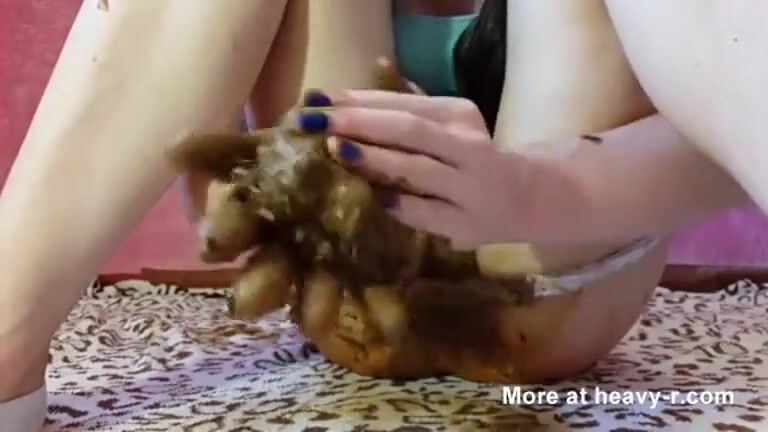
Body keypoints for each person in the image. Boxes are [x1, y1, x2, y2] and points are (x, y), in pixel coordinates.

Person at [0, 0, 760, 429]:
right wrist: (268, 188)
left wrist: (529, 192)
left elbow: (724, 141)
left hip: (551, 275)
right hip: (351, 276)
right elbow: (215, 167)